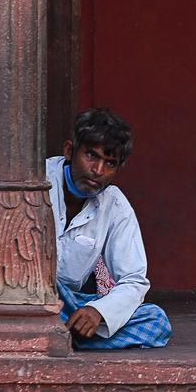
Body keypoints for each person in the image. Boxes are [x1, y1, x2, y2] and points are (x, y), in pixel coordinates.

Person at [46, 108, 171, 349]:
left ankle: (62, 337)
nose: (99, 171)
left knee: (156, 322)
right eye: (91, 156)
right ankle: (64, 339)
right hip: (28, 297)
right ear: (70, 151)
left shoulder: (115, 205)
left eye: (110, 163)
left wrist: (97, 311)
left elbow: (134, 279)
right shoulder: (37, 181)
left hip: (69, 305)